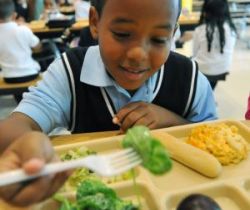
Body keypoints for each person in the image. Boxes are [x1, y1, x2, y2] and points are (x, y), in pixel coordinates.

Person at [0, 0, 217, 206]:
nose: (138, 54)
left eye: (159, 39)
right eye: (122, 34)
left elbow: (212, 140)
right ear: (95, 22)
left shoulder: (189, 78)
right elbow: (20, 121)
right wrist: (26, 146)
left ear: (173, 33)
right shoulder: (69, 72)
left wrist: (173, 121)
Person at [192, 0, 237, 90]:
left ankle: (204, 95)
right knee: (210, 85)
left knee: (188, 62)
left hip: (203, 70)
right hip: (222, 68)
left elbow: (194, 53)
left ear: (205, 12)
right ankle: (209, 93)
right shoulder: (232, 30)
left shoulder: (200, 30)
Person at [0, 0, 41, 84]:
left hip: (8, 77)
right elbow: (38, 47)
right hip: (30, 73)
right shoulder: (23, 29)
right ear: (14, 15)